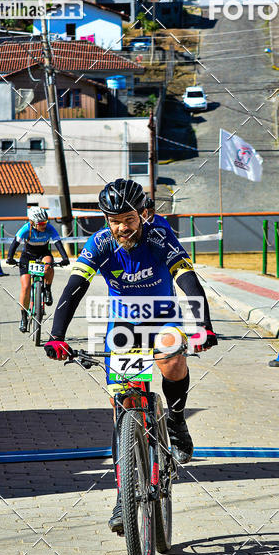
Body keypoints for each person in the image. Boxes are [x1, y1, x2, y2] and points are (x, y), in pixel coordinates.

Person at [44, 178, 217, 533]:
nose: (121, 227)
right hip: (124, 327)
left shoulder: (159, 236)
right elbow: (74, 289)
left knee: (171, 359)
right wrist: (56, 335)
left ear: (144, 213)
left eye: (128, 218)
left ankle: (177, 419)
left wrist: (204, 325)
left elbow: (187, 279)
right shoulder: (101, 243)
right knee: (123, 408)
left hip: (162, 316)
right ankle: (124, 496)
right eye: (113, 219)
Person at [6, 206, 69, 333]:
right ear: (33, 223)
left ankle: (47, 289)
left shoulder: (49, 229)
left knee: (49, 264)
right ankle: (24, 318)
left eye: (45, 222)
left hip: (43, 254)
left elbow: (58, 243)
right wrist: (10, 258)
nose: (44, 225)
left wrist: (65, 258)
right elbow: (14, 244)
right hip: (27, 257)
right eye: (41, 224)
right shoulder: (26, 229)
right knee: (26, 287)